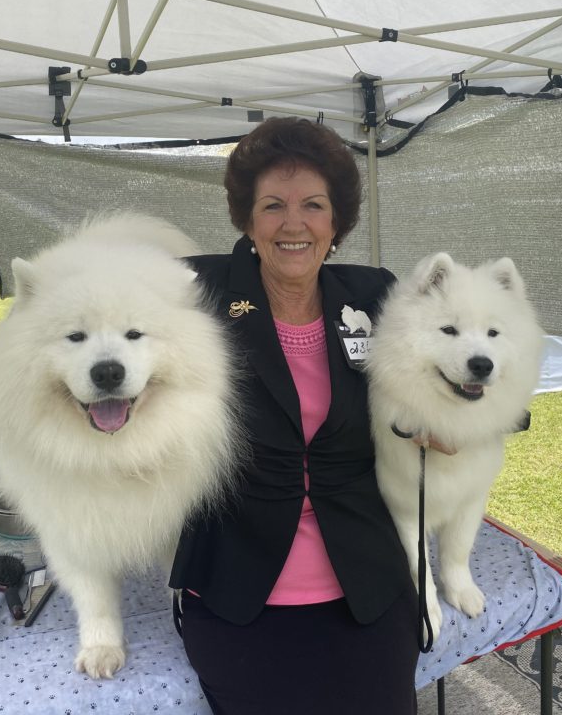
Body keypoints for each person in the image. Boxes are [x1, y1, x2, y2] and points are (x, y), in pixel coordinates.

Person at [169, 117, 419, 714]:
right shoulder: (196, 290)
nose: (293, 223)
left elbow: (458, 371)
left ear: (336, 223)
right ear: (248, 219)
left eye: (313, 205)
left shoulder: (375, 294)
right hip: (238, 594)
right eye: (273, 205)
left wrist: (442, 422)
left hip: (368, 590)